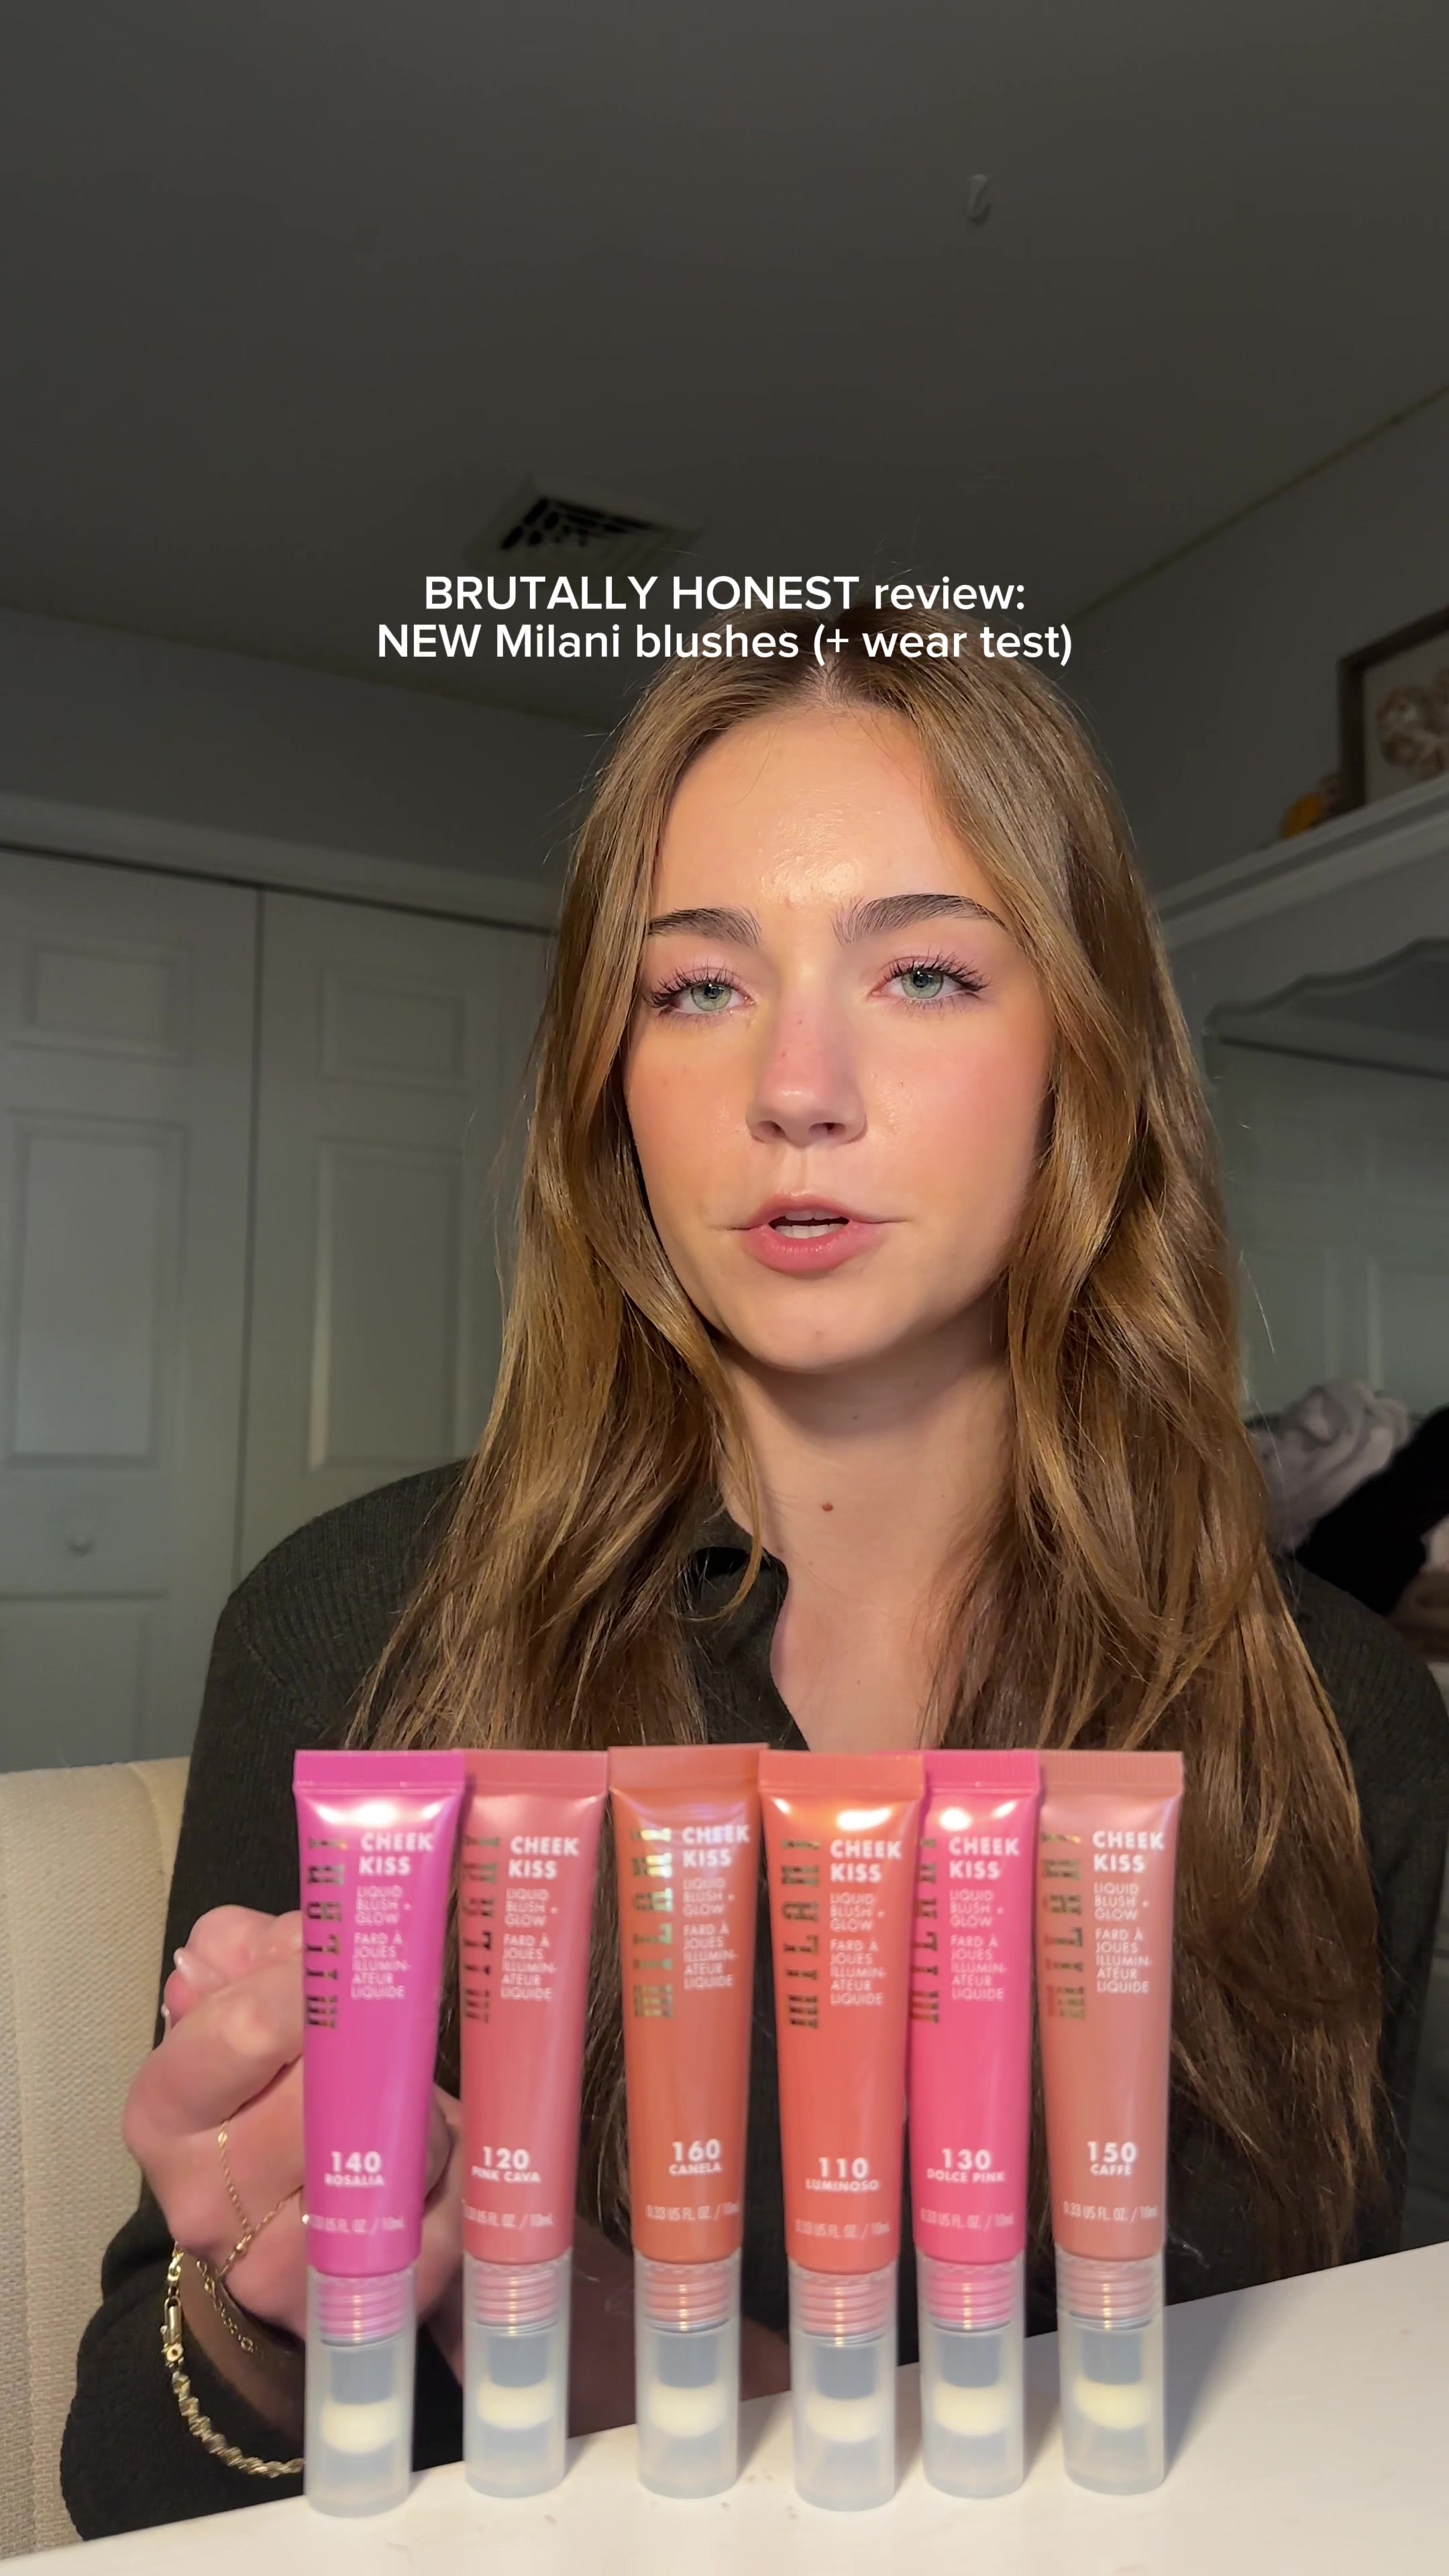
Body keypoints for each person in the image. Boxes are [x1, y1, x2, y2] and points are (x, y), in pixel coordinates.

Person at [62, 609, 1449, 2534]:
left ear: (1091, 1060)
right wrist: (263, 2302)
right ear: (609, 1083)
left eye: (926, 973)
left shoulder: (1340, 1714)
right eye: (698, 986)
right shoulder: (353, 1628)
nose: (797, 1085)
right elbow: (141, 2481)